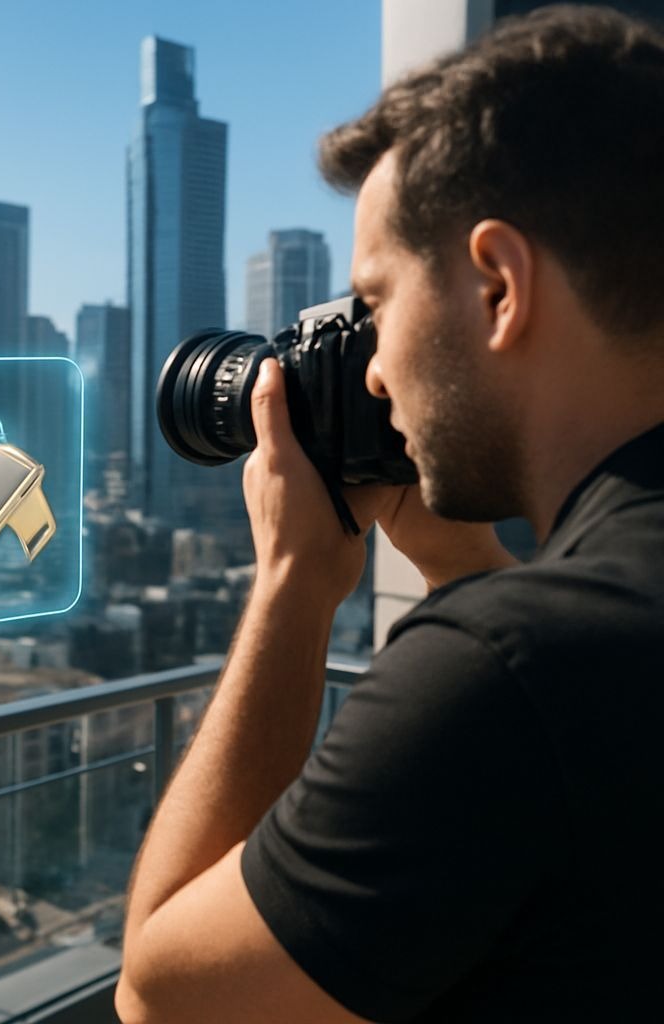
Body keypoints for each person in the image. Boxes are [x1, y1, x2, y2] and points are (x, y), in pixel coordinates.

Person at [115, 6, 664, 1022]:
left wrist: (293, 581)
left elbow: (164, 996)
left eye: (379, 299)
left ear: (499, 285)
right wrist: (465, 568)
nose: (370, 366)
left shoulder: (503, 672)